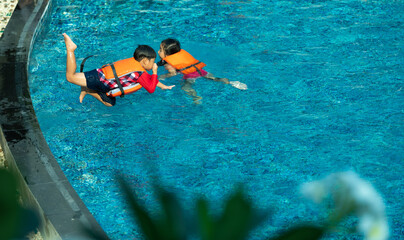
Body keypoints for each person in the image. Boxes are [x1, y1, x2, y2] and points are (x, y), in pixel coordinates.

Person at [63, 33, 175, 107]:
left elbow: (151, 81)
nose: (153, 64)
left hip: (102, 80)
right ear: (145, 61)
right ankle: (71, 50)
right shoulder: (141, 74)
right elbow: (150, 88)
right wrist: (155, 72)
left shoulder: (136, 65)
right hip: (99, 78)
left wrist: (163, 86)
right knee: (70, 77)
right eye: (152, 61)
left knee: (110, 103)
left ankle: (88, 89)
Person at [157, 38, 247, 104]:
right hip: (201, 71)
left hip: (190, 75)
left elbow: (173, 73)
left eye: (160, 50)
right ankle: (229, 82)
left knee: (186, 88)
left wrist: (162, 77)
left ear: (167, 54)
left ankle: (196, 97)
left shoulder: (169, 63)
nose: (158, 52)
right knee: (215, 78)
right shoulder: (181, 55)